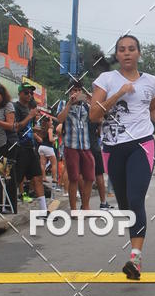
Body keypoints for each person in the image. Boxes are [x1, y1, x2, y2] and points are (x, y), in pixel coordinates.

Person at [90, 34, 155, 280]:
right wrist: (119, 94)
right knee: (126, 207)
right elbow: (94, 115)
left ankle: (135, 258)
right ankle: (135, 253)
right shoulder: (106, 79)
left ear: (139, 53)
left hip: (141, 145)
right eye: (122, 49)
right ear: (117, 55)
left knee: (136, 199)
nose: (126, 53)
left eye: (131, 49)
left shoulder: (151, 82)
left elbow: (152, 108)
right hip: (113, 148)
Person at [56, 81, 95, 213]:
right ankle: (73, 209)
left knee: (89, 177)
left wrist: (92, 101)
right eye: (73, 90)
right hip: (70, 145)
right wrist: (69, 103)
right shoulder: (63, 103)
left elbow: (97, 119)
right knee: (73, 177)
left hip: (86, 145)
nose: (76, 93)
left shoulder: (86, 106)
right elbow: (59, 119)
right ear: (69, 92)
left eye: (79, 90)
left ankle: (85, 206)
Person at [13, 83, 47, 214]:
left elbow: (29, 128)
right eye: (26, 93)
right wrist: (30, 117)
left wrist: (42, 129)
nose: (29, 95)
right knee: (16, 179)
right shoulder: (15, 107)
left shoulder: (29, 109)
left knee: (37, 177)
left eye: (31, 93)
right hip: (19, 147)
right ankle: (8, 204)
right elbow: (16, 127)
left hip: (30, 148)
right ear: (20, 93)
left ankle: (44, 210)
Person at [0, 84, 15, 160]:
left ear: (3, 95)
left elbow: (10, 126)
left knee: (4, 170)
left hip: (4, 145)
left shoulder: (8, 106)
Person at [36, 115, 58, 186]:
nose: (52, 122)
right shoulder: (50, 129)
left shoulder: (42, 128)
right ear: (48, 122)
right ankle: (54, 178)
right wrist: (56, 138)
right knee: (54, 163)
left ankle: (44, 177)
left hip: (41, 147)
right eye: (51, 121)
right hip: (48, 147)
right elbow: (51, 139)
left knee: (42, 164)